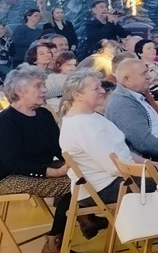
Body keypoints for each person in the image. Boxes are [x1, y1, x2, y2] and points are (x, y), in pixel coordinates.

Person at [0, 67, 85, 253]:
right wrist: (54, 172)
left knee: (87, 173)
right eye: (38, 86)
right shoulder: (6, 122)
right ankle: (53, 245)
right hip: (6, 178)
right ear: (19, 91)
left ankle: (86, 219)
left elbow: (58, 146)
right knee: (75, 184)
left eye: (44, 85)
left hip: (36, 166)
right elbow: (13, 164)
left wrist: (71, 161)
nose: (44, 90)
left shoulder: (43, 114)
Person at [59, 70, 142, 208]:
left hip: (115, 179)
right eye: (96, 88)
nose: (103, 91)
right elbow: (114, 167)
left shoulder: (89, 116)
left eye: (101, 86)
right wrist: (148, 170)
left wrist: (149, 164)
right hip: (104, 187)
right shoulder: (83, 125)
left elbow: (120, 150)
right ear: (77, 95)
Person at [104, 57, 158, 161]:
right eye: (144, 74)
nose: (148, 77)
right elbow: (144, 143)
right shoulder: (124, 105)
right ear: (127, 80)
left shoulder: (134, 96)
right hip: (157, 160)